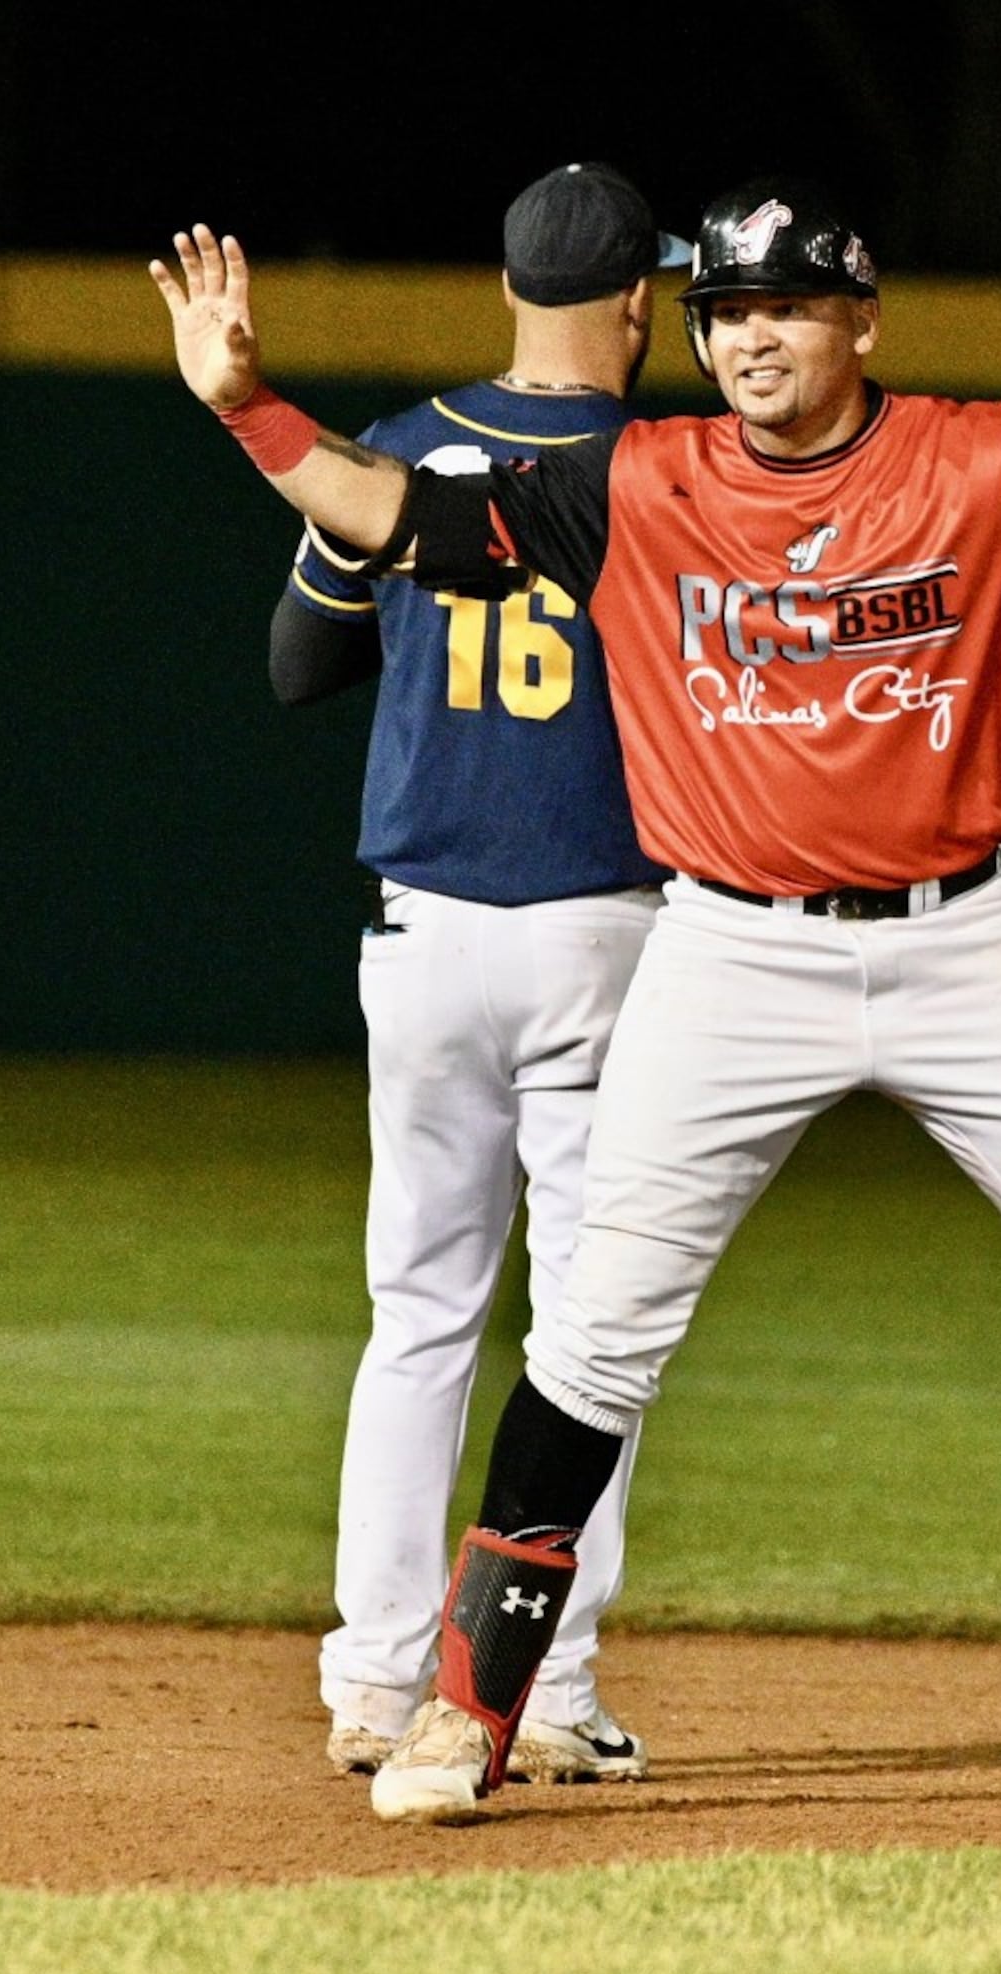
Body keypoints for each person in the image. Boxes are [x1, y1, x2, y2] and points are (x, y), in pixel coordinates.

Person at [154, 177, 1001, 1825]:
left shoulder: (992, 461)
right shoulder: (634, 477)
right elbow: (395, 519)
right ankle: (468, 1707)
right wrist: (243, 402)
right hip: (731, 956)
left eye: (785, 304)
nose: (750, 336)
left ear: (862, 317)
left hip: (970, 944)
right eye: (722, 311)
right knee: (594, 1339)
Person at [286, 162, 688, 1783]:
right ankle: (555, 1682)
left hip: (424, 932)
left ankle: (380, 1680)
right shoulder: (669, 473)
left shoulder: (394, 452)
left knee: (417, 1313)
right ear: (638, 303)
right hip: (607, 932)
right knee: (592, 1326)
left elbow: (297, 665)